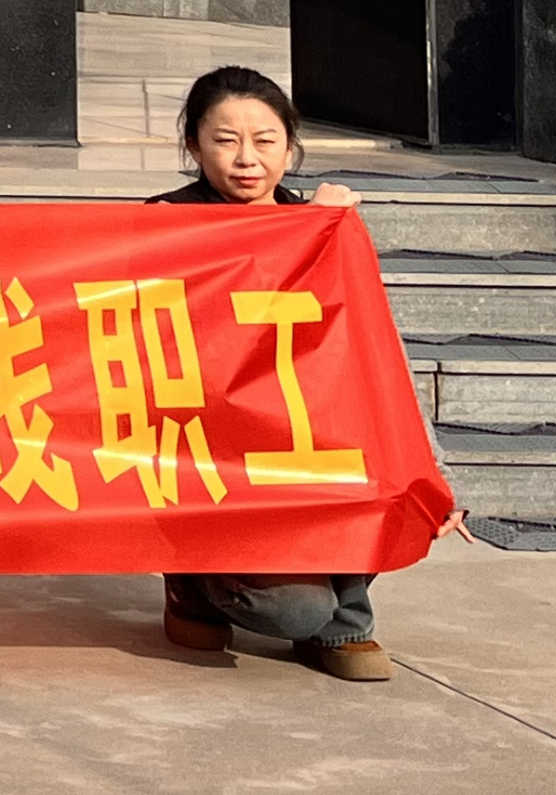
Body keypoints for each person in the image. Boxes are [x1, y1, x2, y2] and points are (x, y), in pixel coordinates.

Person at [152, 66, 389, 681]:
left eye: (265, 140)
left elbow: (375, 352)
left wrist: (433, 470)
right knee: (293, 609)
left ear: (290, 145)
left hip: (305, 436)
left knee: (388, 493)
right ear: (193, 146)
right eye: (225, 140)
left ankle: (347, 624)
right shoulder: (162, 225)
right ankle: (195, 584)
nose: (247, 159)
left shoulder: (326, 224)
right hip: (217, 451)